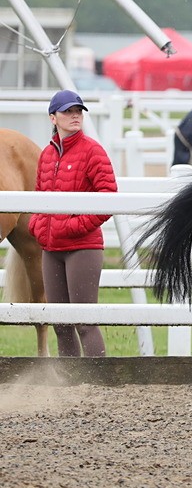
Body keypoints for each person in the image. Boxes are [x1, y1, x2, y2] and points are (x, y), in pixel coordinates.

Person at [27, 89, 117, 357]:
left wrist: (72, 226)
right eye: (68, 111)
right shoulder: (47, 155)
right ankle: (70, 385)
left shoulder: (92, 151)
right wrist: (38, 227)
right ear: (53, 118)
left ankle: (97, 381)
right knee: (60, 323)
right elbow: (39, 197)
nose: (75, 116)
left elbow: (108, 199)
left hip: (83, 247)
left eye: (78, 111)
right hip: (52, 248)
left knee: (84, 322)